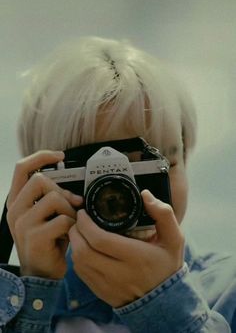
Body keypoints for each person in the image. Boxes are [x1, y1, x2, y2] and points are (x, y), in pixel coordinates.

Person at [0, 36, 235, 333]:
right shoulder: (13, 305)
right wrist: (34, 292)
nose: (122, 197)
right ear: (41, 182)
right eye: (95, 177)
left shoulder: (229, 293)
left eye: (153, 170)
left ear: (185, 159)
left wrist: (164, 303)